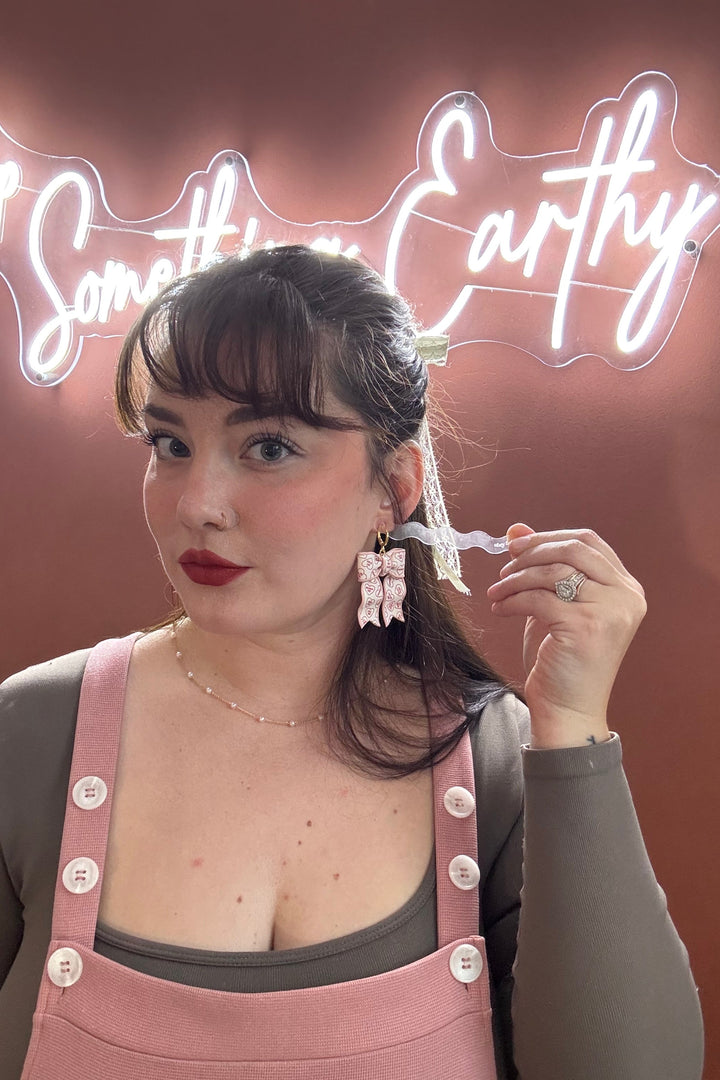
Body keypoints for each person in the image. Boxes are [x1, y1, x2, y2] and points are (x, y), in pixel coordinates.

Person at [0, 245, 704, 1079]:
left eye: (268, 447)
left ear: (394, 488)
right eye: (168, 443)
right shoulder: (37, 730)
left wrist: (575, 730)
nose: (196, 505)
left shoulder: (492, 759)